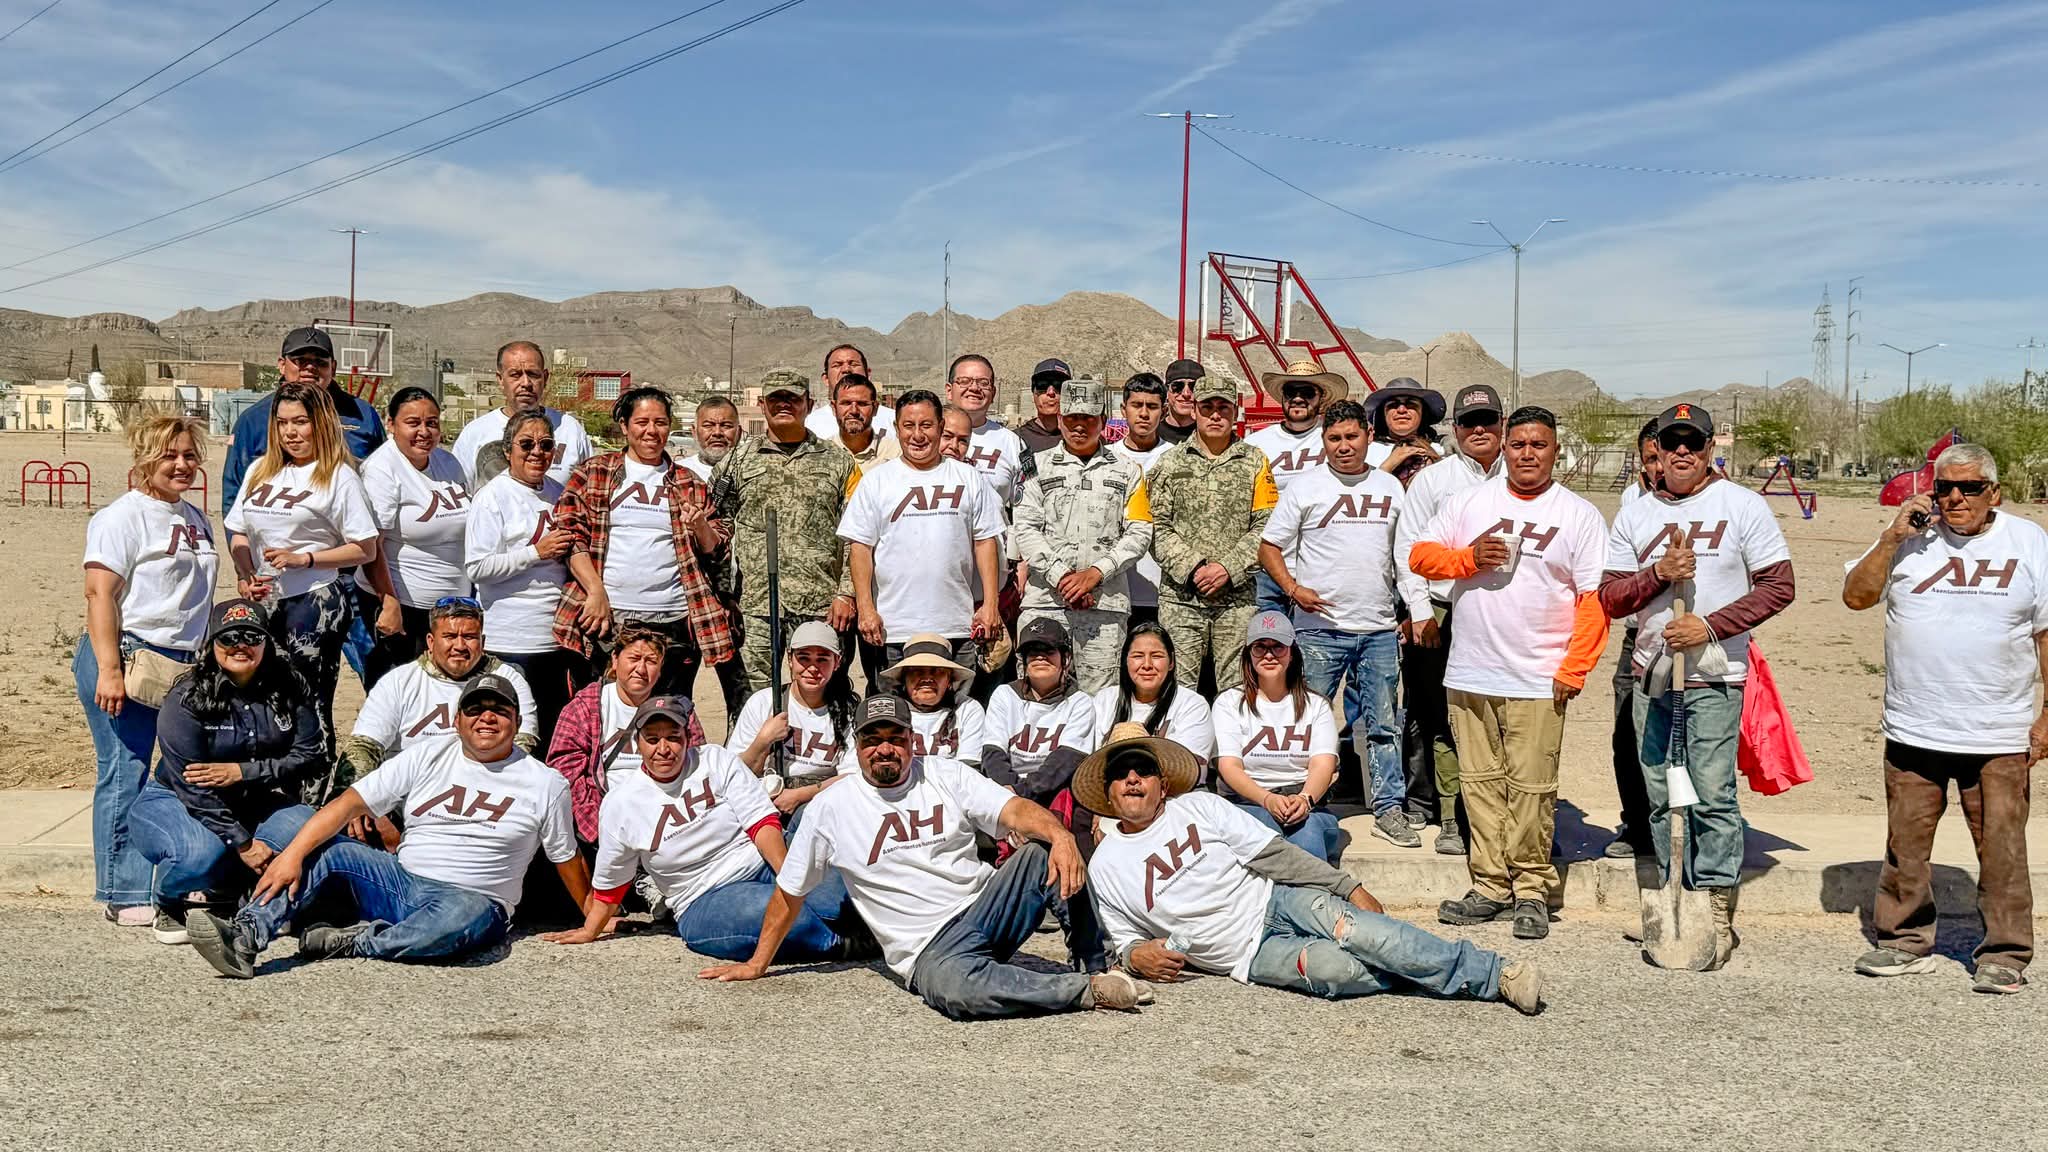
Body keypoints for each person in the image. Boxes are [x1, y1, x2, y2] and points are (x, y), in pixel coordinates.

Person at [699, 695, 1146, 1017]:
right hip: (929, 948)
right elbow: (789, 892)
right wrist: (757, 964)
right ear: (857, 746)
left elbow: (1014, 810)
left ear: (912, 740)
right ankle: (1089, 990)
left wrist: (1062, 835)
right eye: (873, 739)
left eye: (896, 737)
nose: (885, 748)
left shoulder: (943, 773)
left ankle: (1095, 959)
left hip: (985, 907)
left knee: (1048, 842)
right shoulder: (829, 809)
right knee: (958, 993)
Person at [1076, 723, 1542, 1013]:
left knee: (1370, 935)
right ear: (1110, 792)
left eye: (1142, 769)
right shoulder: (1104, 866)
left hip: (1277, 900)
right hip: (1246, 957)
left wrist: (1348, 885)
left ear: (1162, 784)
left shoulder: (1198, 807)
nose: (1132, 778)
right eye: (1120, 773)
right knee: (1337, 974)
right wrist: (1137, 957)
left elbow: (1276, 856)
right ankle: (1417, 962)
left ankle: (1495, 975)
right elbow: (1121, 940)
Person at [184, 674, 589, 978]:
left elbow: (565, 857)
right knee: (326, 850)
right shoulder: (429, 754)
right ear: (458, 719)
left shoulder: (545, 783)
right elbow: (346, 805)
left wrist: (594, 916)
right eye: (475, 709)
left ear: (516, 721)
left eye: (499, 710)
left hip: (473, 899)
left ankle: (357, 941)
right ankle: (244, 935)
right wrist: (290, 856)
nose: (486, 718)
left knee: (455, 923)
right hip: (400, 879)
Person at [1841, 442, 2042, 994]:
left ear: (1993, 493)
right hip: (1915, 725)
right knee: (1906, 846)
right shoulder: (1909, 540)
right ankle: (1905, 942)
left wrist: (2047, 715)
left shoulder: (2028, 543)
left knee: (2001, 847)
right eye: (1944, 487)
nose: (1955, 498)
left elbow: (2046, 634)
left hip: (1997, 729)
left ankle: (2005, 953)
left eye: (1970, 487)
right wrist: (1889, 538)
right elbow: (1856, 597)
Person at [1603, 403, 1793, 969]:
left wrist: (1709, 624)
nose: (1682, 452)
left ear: (1710, 449)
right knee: (1659, 792)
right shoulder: (1637, 514)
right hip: (1652, 676)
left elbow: (1779, 587)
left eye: (1694, 442)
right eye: (1671, 443)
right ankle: (1670, 887)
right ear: (1656, 451)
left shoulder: (1742, 506)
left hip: (1713, 676)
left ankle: (1713, 901)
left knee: (1710, 792)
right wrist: (1656, 575)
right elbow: (1611, 598)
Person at [1410, 406, 1609, 941]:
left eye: (1538, 445)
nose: (1526, 453)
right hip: (1472, 670)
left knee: (1532, 787)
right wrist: (1467, 558)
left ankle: (1530, 890)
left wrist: (1576, 666)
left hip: (1539, 676)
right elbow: (1421, 556)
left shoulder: (1579, 514)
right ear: (1504, 447)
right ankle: (1490, 884)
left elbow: (1594, 600)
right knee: (1478, 784)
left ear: (1554, 450)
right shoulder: (1470, 502)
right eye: (1518, 444)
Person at [544, 695, 866, 960]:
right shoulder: (620, 803)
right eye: (652, 739)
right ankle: (842, 945)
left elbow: (762, 822)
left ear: (687, 737)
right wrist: (590, 930)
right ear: (637, 743)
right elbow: (612, 885)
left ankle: (877, 920)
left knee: (840, 879)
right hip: (702, 897)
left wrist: (790, 879)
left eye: (673, 737)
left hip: (762, 862)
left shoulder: (715, 759)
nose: (664, 748)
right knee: (767, 910)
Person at [1259, 399, 1419, 848]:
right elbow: (1269, 546)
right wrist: (1293, 588)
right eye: (1334, 439)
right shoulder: (1306, 488)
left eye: (1352, 437)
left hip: (1378, 629)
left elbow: (1403, 556)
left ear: (1369, 436)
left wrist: (1409, 611)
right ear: (1324, 442)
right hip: (1319, 628)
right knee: (1307, 720)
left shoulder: (1389, 487)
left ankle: (1389, 808)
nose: (1344, 446)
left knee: (1384, 723)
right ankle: (1303, 803)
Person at [79, 415, 219, 927]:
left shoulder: (196, 517)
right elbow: (100, 594)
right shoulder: (122, 517)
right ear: (143, 459)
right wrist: (110, 669)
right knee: (126, 771)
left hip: (182, 665)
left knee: (174, 775)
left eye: (188, 455)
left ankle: (175, 878)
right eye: (169, 455)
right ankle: (123, 889)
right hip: (131, 657)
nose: (181, 465)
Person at [223, 380, 379, 800]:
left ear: (320, 424)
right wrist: (243, 571)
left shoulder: (339, 475)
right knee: (261, 697)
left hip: (314, 603)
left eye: (301, 422)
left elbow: (365, 547)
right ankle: (269, 788)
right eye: (283, 423)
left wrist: (305, 558)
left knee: (306, 702)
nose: (291, 432)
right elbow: (237, 529)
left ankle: (309, 796)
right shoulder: (261, 470)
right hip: (263, 601)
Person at [131, 600, 321, 944]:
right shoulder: (187, 696)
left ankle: (245, 897)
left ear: (266, 642)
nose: (240, 646)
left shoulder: (291, 686)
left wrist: (243, 772)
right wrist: (243, 843)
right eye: (228, 638)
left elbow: (310, 756)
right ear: (211, 643)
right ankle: (170, 899)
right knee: (203, 852)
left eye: (251, 636)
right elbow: (193, 786)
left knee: (310, 828)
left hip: (255, 799)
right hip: (178, 799)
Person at [553, 386, 735, 696]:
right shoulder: (594, 474)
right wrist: (595, 591)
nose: (652, 431)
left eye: (661, 422)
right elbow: (571, 537)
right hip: (610, 619)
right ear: (624, 426)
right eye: (642, 422)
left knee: (669, 716)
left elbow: (716, 550)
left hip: (674, 621)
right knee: (608, 712)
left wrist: (701, 525)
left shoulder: (689, 483)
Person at [1393, 383, 1506, 853]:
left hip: (1502, 609)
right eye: (1469, 422)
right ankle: (1451, 816)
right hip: (1442, 606)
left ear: (1503, 425)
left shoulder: (1519, 480)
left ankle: (1499, 815)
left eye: (1488, 421)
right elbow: (1407, 549)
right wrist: (1420, 611)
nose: (1479, 430)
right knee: (1440, 714)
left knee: (1500, 714)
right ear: (1455, 429)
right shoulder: (1433, 481)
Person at [706, 369, 861, 695]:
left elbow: (856, 533)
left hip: (819, 606)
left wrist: (846, 592)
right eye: (776, 398)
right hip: (754, 611)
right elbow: (717, 531)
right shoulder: (736, 461)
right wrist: (724, 596)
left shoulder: (839, 462)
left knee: (820, 700)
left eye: (793, 398)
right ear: (762, 404)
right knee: (751, 704)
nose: (784, 405)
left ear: (810, 403)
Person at [839, 389, 1005, 667]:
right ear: (896, 429)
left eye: (926, 425)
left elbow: (985, 541)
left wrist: (990, 605)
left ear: (940, 427)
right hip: (893, 630)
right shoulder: (877, 481)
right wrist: (866, 609)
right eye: (908, 426)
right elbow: (860, 549)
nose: (917, 435)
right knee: (894, 709)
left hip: (957, 626)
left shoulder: (968, 477)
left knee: (957, 708)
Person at [1012, 378, 1154, 692]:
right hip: (1046, 604)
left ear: (1102, 420)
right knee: (1037, 695)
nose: (1080, 426)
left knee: (1099, 701)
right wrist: (1064, 577)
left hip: (1103, 608)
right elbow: (1025, 528)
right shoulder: (1034, 467)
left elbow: (1140, 532)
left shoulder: (1128, 471)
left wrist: (1095, 574)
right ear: (1060, 420)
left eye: (1088, 419)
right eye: (1072, 418)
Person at [1147, 374, 1278, 692]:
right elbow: (1154, 527)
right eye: (1207, 407)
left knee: (1236, 694)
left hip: (1237, 602)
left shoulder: (1256, 462)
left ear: (1236, 412)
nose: (1216, 415)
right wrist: (1194, 567)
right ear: (1194, 411)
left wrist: (1227, 569)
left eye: (1224, 407)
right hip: (1182, 601)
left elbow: (1268, 526)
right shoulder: (1168, 464)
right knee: (1177, 693)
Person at [465, 407, 577, 750]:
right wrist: (535, 553)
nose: (536, 453)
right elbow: (477, 568)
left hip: (556, 639)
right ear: (507, 450)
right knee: (511, 737)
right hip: (511, 641)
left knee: (551, 737)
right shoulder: (492, 498)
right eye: (526, 444)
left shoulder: (559, 493)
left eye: (546, 445)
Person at [341, 597, 539, 788]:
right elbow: (363, 746)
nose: (459, 646)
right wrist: (356, 802)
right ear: (431, 641)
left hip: (484, 791)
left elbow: (522, 746)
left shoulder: (508, 679)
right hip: (406, 794)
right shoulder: (399, 681)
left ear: (483, 641)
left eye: (469, 637)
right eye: (450, 636)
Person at [355, 387, 472, 687]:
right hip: (404, 606)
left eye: (432, 422)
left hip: (449, 605)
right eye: (413, 423)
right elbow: (372, 545)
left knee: (445, 689)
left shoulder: (448, 463)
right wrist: (389, 602)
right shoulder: (382, 469)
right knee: (404, 690)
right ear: (391, 424)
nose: (424, 431)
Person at [1211, 612, 1342, 865]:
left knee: (1307, 833)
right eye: (1260, 647)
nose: (1269, 655)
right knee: (1265, 829)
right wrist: (1267, 799)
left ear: (1292, 652)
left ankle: (1313, 899)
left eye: (1278, 647)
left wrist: (1304, 800)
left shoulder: (1317, 705)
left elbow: (1322, 764)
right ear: (1248, 652)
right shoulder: (1228, 703)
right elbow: (1229, 766)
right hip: (1246, 802)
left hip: (1305, 803)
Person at [220, 326, 384, 516]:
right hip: (275, 539)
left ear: (333, 367)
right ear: (282, 365)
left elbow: (384, 478)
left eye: (320, 362)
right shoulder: (253, 420)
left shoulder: (363, 415)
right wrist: (238, 541)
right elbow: (234, 491)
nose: (310, 367)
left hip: (349, 538)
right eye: (301, 360)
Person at [549, 625, 672, 845]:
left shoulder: (678, 711)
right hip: (604, 817)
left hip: (665, 818)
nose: (641, 669)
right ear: (615, 660)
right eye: (634, 658)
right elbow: (564, 774)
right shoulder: (583, 708)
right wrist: (600, 830)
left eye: (651, 661)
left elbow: (696, 770)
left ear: (661, 668)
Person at [1604, 419, 1665, 859]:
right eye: (1651, 458)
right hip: (1637, 639)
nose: (1660, 466)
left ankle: (1686, 831)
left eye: (1666, 455)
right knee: (1629, 734)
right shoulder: (1633, 504)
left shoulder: (1719, 502)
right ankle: (1638, 824)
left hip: (1699, 643)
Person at [982, 618, 1100, 842]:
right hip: (1006, 789)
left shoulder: (1080, 702)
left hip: (1050, 792)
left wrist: (1021, 798)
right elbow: (993, 753)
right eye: (1032, 651)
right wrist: (1009, 798)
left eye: (1049, 650)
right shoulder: (1005, 695)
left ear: (1065, 658)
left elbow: (1063, 764)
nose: (1039, 657)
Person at [727, 622, 858, 818]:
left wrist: (800, 795)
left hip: (823, 799)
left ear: (837, 662)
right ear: (789, 659)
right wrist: (763, 741)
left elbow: (853, 777)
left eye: (822, 659)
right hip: (767, 798)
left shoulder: (849, 711)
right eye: (803, 658)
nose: (813, 668)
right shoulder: (764, 703)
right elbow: (734, 774)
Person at [451, 339, 595, 486]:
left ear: (545, 378)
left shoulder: (570, 429)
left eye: (533, 374)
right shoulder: (475, 433)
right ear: (500, 380)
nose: (526, 383)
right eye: (515, 374)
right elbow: (460, 495)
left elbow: (589, 489)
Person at [1090, 622, 1214, 773]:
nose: (1147, 665)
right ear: (1125, 660)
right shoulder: (1105, 699)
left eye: (1156, 656)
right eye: (1138, 656)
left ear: (1172, 662)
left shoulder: (1193, 705)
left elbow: (1188, 768)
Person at [1111, 373, 1174, 627]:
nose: (1144, 414)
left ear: (1164, 411)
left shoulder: (1176, 459)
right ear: (1123, 409)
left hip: (1164, 593)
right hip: (1116, 590)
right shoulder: (1106, 458)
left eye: (1152, 406)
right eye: (1137, 405)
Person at [882, 634, 986, 765]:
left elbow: (970, 768)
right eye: (917, 670)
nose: (927, 678)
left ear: (949, 679)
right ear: (904, 678)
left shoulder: (968, 709)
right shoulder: (886, 711)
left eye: (937, 671)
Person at [945, 354, 1029, 505]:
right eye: (964, 381)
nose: (974, 388)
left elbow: (1025, 505)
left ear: (993, 393)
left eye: (983, 383)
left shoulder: (1013, 443)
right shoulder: (927, 437)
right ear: (949, 390)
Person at [1364, 377, 1446, 484]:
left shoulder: (1442, 450)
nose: (1401, 410)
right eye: (1393, 405)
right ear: (1383, 414)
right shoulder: (1366, 452)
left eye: (1410, 404)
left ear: (1423, 412)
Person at [805, 344, 895, 441]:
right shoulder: (809, 425)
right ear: (826, 379)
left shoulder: (894, 421)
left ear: (868, 374)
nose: (846, 369)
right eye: (837, 365)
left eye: (853, 364)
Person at [817, 372, 899, 465]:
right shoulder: (820, 456)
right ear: (834, 408)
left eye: (862, 404)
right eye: (846, 403)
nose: (854, 411)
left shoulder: (895, 455)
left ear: (875, 408)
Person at [1013, 357, 1071, 456]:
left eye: (1059, 385)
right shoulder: (1014, 440)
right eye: (1042, 385)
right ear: (1033, 393)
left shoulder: (1082, 438)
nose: (1051, 392)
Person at [679, 395, 741, 482]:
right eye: (708, 425)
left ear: (739, 432)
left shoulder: (754, 474)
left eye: (726, 426)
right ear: (694, 432)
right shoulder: (677, 474)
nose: (717, 432)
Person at [1158, 359, 1204, 445]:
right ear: (1167, 391)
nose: (1186, 394)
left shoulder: (1211, 436)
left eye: (1194, 387)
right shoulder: (1151, 436)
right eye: (1177, 387)